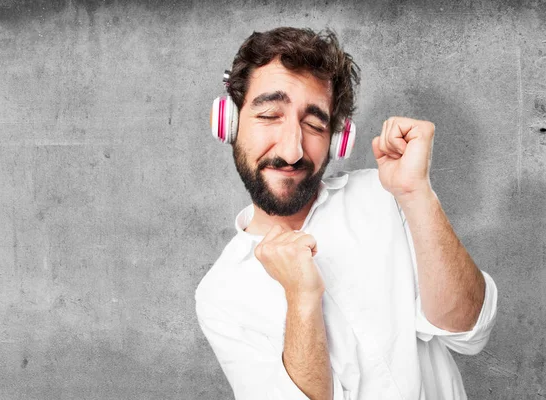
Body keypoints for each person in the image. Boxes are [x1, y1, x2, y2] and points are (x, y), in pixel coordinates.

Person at [195, 27, 497, 400]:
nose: (292, 151)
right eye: (270, 115)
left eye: (314, 124)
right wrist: (302, 297)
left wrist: (416, 193)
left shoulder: (386, 196)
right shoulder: (220, 295)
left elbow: (469, 332)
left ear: (338, 139)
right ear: (230, 122)